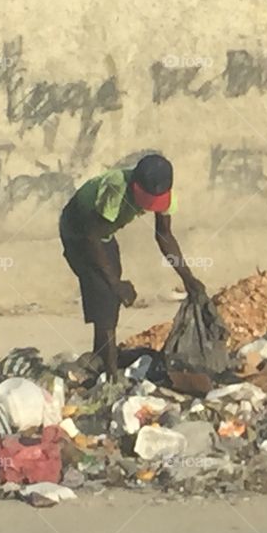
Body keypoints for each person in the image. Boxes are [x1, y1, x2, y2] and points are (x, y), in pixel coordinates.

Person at [59, 153, 204, 379]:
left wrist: (187, 277)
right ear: (135, 186)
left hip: (102, 235)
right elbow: (91, 236)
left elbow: (164, 236)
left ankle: (102, 355)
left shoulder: (166, 196)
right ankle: (111, 377)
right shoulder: (116, 189)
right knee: (106, 292)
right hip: (78, 230)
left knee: (109, 293)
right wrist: (116, 284)